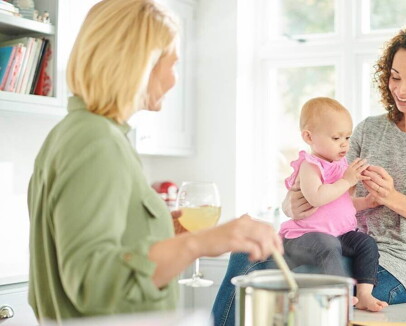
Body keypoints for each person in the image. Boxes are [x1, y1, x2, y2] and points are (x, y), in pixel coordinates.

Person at [27, 0, 282, 323]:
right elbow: (92, 281)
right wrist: (198, 242)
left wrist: (166, 230)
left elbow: (107, 250)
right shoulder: (96, 141)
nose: (174, 80)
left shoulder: (76, 133)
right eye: (171, 64)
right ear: (137, 62)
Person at [212, 27, 406, 326]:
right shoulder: (368, 129)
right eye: (394, 76)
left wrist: (391, 198)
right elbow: (331, 187)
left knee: (297, 281)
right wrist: (291, 203)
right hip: (339, 243)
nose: (400, 89)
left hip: (397, 268)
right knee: (245, 254)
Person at [280, 97, 387, 311]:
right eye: (336, 137)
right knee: (328, 245)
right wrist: (347, 180)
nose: (344, 144)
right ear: (309, 137)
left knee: (366, 243)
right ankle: (339, 294)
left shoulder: (340, 165)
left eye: (347, 137)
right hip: (305, 237)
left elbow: (340, 204)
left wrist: (366, 202)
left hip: (337, 234)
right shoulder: (310, 166)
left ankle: (365, 293)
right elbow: (318, 198)